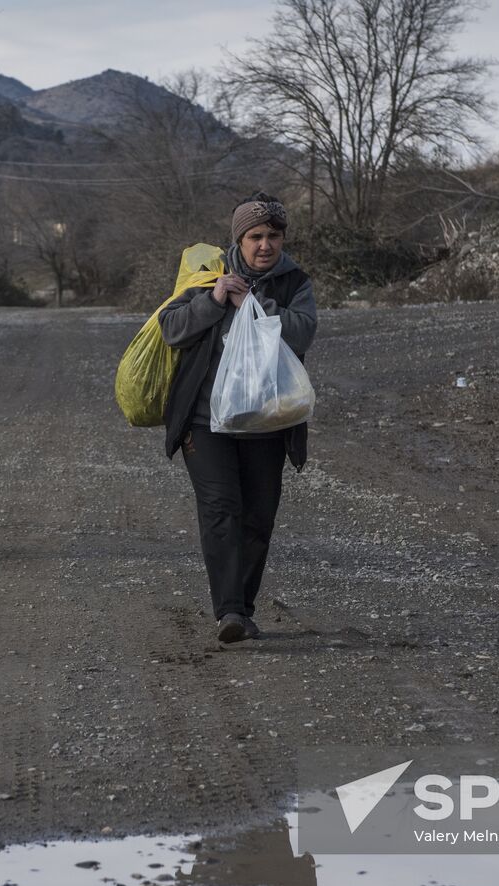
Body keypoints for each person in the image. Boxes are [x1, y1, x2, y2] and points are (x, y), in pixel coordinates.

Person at [159, 192, 318, 643]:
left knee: (258, 517)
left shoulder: (294, 283)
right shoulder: (207, 276)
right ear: (238, 239)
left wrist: (257, 305)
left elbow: (305, 330)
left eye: (273, 235)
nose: (265, 245)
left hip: (267, 420)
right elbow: (170, 330)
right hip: (205, 421)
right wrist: (213, 300)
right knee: (221, 509)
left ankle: (243, 610)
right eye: (255, 236)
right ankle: (228, 611)